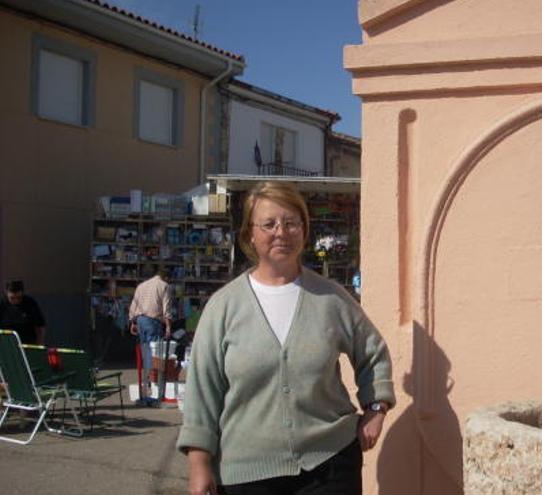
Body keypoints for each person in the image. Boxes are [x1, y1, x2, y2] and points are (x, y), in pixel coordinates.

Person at [177, 182, 395, 495]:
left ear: (304, 230)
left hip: (330, 464)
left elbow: (372, 353)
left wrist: (376, 407)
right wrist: (199, 464)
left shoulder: (331, 298)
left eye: (291, 222)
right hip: (246, 474)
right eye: (269, 224)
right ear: (250, 233)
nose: (281, 232)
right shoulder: (224, 307)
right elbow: (202, 389)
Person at [129, 268, 172, 398]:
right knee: (154, 355)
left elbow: (133, 305)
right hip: (153, 321)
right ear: (166, 277)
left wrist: (133, 322)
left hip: (141, 320)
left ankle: (146, 383)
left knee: (145, 352)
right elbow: (167, 308)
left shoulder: (141, 286)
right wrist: (168, 327)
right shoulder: (164, 286)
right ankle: (152, 386)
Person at [0, 280, 46, 345]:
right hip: (7, 345)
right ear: (7, 294)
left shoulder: (30, 304)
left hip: (27, 344)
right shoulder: (2, 305)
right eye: (12, 298)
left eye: (19, 298)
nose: (16, 301)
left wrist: (39, 344)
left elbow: (40, 326)